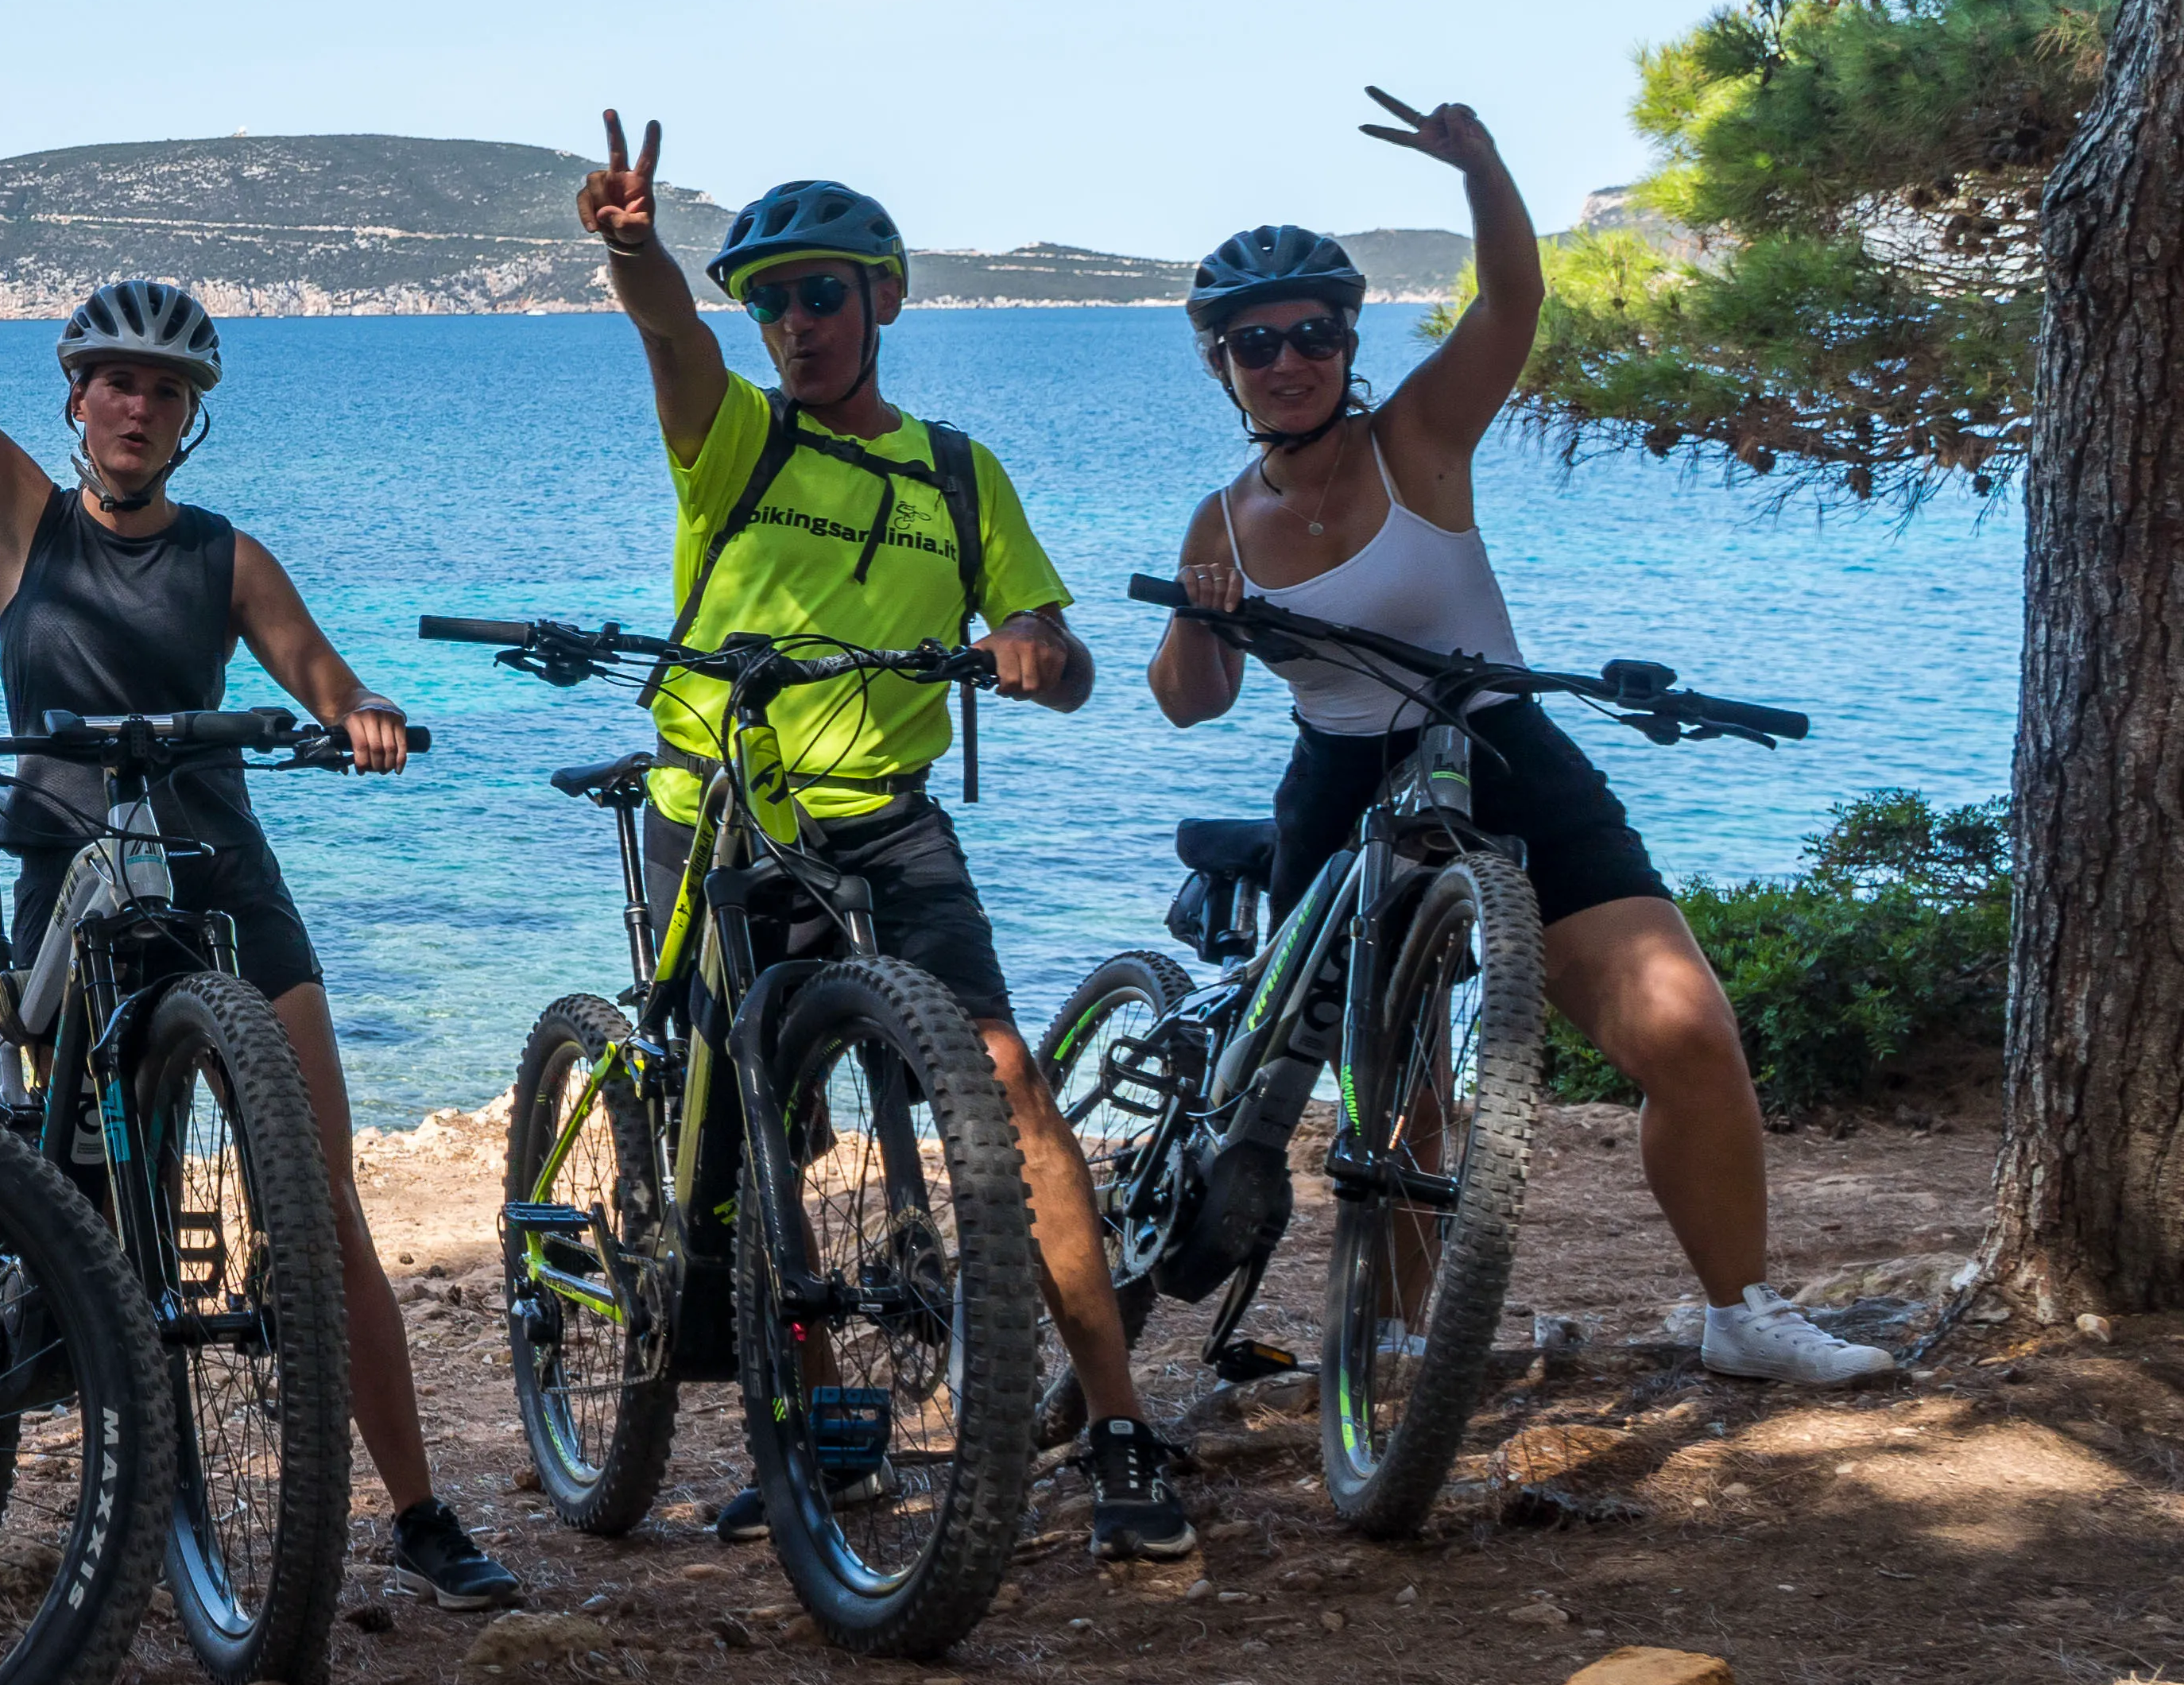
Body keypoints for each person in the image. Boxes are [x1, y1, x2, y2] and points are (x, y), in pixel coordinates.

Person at [0, 53, 521, 1613]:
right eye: (113, 379)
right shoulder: (18, 517)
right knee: (73, 1198)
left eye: (166, 386)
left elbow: (317, 669)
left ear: (191, 416)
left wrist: (361, 708)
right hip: (70, 869)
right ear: (75, 396)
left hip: (218, 874)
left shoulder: (226, 552)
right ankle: (77, 1417)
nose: (137, 403)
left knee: (322, 1209)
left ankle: (418, 1509)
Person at [1143, 91, 1895, 1392]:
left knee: (1689, 1033)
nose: (1287, 359)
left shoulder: (1418, 440)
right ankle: (1406, 1338)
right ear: (1222, 364)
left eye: (1313, 333)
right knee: (1406, 1101)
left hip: (1501, 747)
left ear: (1345, 339)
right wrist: (1203, 626)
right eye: (1255, 342)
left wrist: (1481, 168)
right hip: (1341, 787)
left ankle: (1742, 1312)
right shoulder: (1218, 522)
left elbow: (1511, 308)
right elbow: (1189, 700)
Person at [568, 118, 1195, 1562]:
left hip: (889, 828)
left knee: (1008, 1082)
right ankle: (809, 1430)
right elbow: (671, 336)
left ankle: (1115, 1423)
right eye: (773, 301)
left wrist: (1036, 651)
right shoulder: (735, 439)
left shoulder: (958, 477)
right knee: (755, 1144)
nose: (796, 323)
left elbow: (1056, 643)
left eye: (825, 294)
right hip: (720, 818)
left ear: (885, 301)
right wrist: (636, 253)